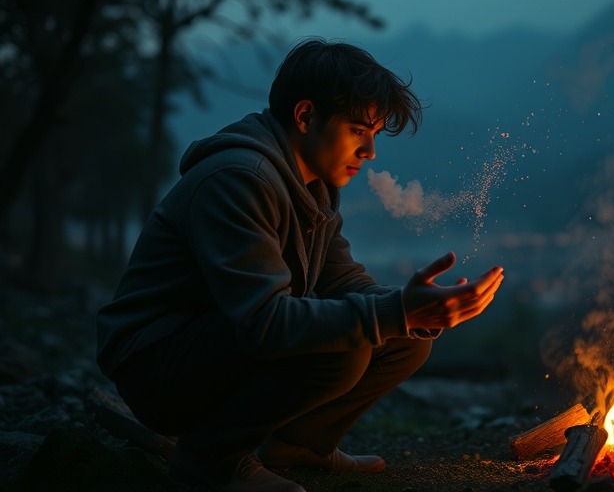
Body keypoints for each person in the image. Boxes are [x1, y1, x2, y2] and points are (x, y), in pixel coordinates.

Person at [95, 37, 504, 492]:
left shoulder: (312, 187)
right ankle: (210, 460)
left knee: (404, 338)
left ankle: (300, 444)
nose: (370, 151)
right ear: (306, 116)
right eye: (358, 130)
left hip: (215, 343)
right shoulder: (239, 179)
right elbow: (264, 322)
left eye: (374, 134)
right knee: (348, 343)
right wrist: (393, 311)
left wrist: (414, 310)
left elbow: (342, 279)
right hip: (156, 365)